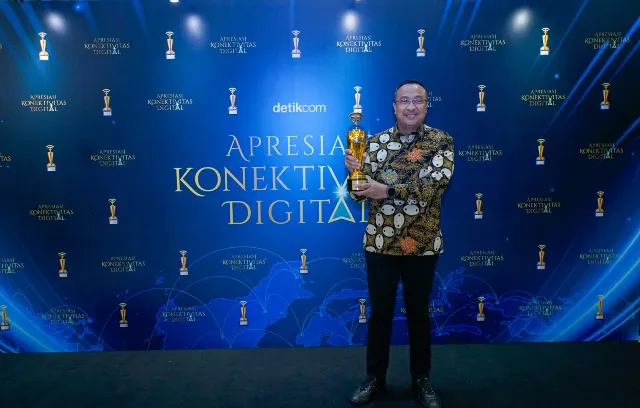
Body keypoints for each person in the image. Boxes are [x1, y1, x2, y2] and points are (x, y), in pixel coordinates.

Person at [344, 79, 454, 408]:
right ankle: (375, 378)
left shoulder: (441, 141)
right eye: (404, 100)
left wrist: (387, 190)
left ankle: (422, 379)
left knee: (418, 313)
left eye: (417, 100)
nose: (410, 106)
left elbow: (433, 186)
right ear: (394, 107)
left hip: (422, 243)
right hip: (381, 242)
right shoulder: (373, 142)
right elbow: (357, 193)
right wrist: (354, 174)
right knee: (380, 314)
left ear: (426, 106)